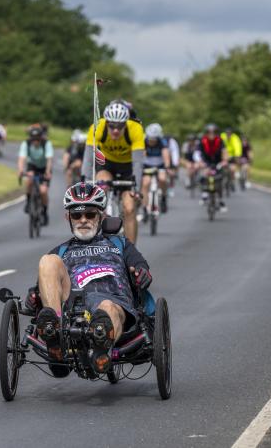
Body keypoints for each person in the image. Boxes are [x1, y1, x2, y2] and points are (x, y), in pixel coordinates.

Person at [31, 182, 153, 374]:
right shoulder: (61, 250)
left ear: (101, 216)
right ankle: (54, 337)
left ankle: (100, 349)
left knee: (106, 308)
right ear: (68, 218)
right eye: (77, 215)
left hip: (112, 302)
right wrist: (33, 295)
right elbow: (42, 286)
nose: (83, 220)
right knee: (47, 261)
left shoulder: (119, 243)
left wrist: (141, 271)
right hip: (71, 313)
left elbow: (140, 264)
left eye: (90, 214)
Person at [82, 100, 145, 244]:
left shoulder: (135, 129)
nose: (115, 130)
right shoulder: (97, 127)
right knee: (100, 187)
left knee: (129, 209)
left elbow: (138, 163)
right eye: (112, 126)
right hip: (106, 164)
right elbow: (88, 159)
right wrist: (85, 182)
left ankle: (131, 253)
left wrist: (136, 189)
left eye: (120, 126)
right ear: (107, 123)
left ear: (126, 123)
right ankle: (99, 224)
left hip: (128, 167)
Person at [18, 124, 54, 225]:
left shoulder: (47, 143)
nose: (35, 141)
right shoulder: (26, 143)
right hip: (32, 166)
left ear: (41, 138)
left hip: (44, 167)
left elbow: (49, 160)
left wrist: (47, 172)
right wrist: (20, 170)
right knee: (29, 179)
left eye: (37, 139)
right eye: (33, 139)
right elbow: (22, 158)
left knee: (43, 191)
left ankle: (45, 212)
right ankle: (29, 202)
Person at [139, 123, 170, 221]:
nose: (152, 141)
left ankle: (164, 198)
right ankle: (144, 208)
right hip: (147, 165)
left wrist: (167, 165)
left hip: (159, 165)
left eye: (154, 139)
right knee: (145, 183)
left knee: (162, 179)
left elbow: (166, 155)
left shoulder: (162, 142)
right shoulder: (143, 141)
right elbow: (141, 155)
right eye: (150, 138)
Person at [198, 124, 228, 212]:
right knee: (203, 176)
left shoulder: (220, 141)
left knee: (220, 179)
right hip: (206, 162)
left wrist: (224, 161)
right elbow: (197, 152)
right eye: (209, 133)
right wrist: (200, 162)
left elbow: (224, 151)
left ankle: (221, 200)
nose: (211, 135)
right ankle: (204, 194)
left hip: (218, 162)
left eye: (213, 133)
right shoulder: (202, 141)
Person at [164, 132, 180, 198]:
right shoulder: (161, 141)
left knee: (171, 174)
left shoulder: (173, 142)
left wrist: (175, 164)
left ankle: (171, 187)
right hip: (163, 158)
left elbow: (175, 153)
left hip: (171, 159)